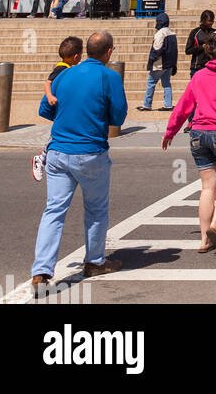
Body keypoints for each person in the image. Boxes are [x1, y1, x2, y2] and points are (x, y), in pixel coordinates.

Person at [30, 30, 127, 289]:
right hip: (90, 152)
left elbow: (45, 108)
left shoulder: (65, 74)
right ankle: (94, 261)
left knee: (54, 210)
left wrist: (69, 117)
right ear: (108, 52)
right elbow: (118, 118)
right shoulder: (110, 77)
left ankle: (41, 270)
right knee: (95, 210)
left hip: (59, 151)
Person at [162, 32, 216, 252]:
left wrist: (170, 131)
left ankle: (203, 240)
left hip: (198, 132)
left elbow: (183, 106)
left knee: (207, 187)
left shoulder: (198, 76)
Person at [30, 36, 83, 183]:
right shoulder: (61, 68)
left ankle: (42, 157)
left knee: (58, 133)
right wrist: (50, 96)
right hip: (59, 107)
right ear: (76, 56)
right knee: (57, 135)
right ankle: (40, 158)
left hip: (62, 108)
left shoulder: (67, 68)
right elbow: (47, 83)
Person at [138, 12, 177, 111]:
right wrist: (174, 64)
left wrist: (151, 60)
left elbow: (157, 49)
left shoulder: (160, 33)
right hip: (169, 64)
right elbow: (175, 51)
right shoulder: (172, 33)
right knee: (166, 84)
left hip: (159, 64)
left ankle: (147, 104)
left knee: (151, 83)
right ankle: (168, 104)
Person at [185, 10, 216, 76]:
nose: (211, 23)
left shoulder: (215, 33)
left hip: (211, 68)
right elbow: (188, 50)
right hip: (197, 68)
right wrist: (202, 47)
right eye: (209, 21)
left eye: (212, 21)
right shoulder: (195, 33)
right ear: (203, 20)